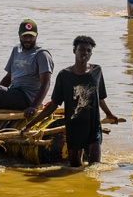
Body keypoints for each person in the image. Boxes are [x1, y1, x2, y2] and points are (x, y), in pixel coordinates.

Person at [22, 35, 117, 167]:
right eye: (82, 49)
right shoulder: (64, 75)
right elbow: (53, 105)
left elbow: (100, 98)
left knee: (95, 167)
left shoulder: (97, 71)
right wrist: (30, 124)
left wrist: (109, 114)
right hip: (74, 129)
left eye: (89, 51)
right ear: (74, 51)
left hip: (93, 128)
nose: (85, 53)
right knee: (75, 169)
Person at [0, 19, 53, 117]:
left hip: (27, 98)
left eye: (31, 36)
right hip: (14, 91)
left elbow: (46, 83)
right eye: (25, 36)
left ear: (36, 36)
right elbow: (8, 77)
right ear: (19, 35)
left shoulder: (41, 55)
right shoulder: (16, 50)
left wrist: (34, 106)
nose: (28, 39)